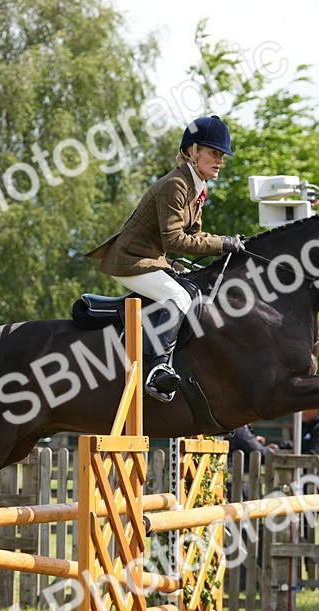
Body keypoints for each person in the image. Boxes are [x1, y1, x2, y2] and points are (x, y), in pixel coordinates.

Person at [86, 114, 246, 403]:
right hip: (130, 260)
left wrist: (228, 242)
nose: (219, 160)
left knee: (195, 288)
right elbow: (175, 240)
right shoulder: (176, 184)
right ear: (192, 151)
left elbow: (196, 234)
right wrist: (223, 244)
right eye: (213, 153)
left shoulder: (198, 187)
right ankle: (159, 369)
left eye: (222, 155)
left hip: (152, 259)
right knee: (178, 297)